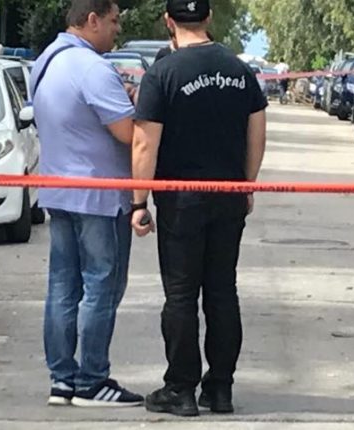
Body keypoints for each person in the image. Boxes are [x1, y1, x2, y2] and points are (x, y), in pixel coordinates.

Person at [130, 0, 268, 417]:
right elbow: (257, 131)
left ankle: (181, 388)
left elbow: (144, 143)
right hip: (228, 195)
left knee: (181, 295)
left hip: (180, 200)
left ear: (168, 21)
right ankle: (220, 387)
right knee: (223, 290)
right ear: (208, 18)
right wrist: (246, 183)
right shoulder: (240, 71)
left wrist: (139, 202)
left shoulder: (162, 74)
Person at [29, 0, 143, 409]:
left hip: (58, 190)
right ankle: (92, 380)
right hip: (99, 196)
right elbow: (130, 133)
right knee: (102, 286)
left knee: (63, 287)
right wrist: (136, 103)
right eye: (113, 21)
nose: (117, 30)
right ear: (91, 20)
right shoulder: (93, 68)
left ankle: (62, 380)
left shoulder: (46, 62)